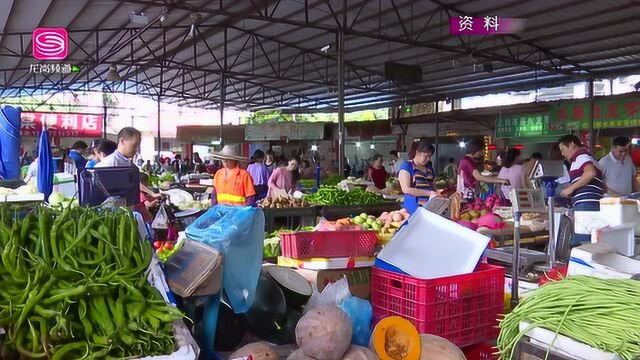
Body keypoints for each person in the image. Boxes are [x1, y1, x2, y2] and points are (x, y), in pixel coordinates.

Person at [557, 134, 605, 245]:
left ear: (572, 145)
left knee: (581, 242)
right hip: (590, 205)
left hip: (586, 207)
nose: (563, 154)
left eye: (563, 149)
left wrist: (571, 189)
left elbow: (590, 173)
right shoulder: (587, 158)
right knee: (583, 241)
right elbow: (603, 186)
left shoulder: (581, 156)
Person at [398, 140, 437, 214]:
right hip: (414, 209)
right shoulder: (407, 166)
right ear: (417, 153)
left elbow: (433, 186)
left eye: (430, 156)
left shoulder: (429, 168)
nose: (428, 159)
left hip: (430, 208)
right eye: (426, 156)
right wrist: (429, 193)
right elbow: (406, 189)